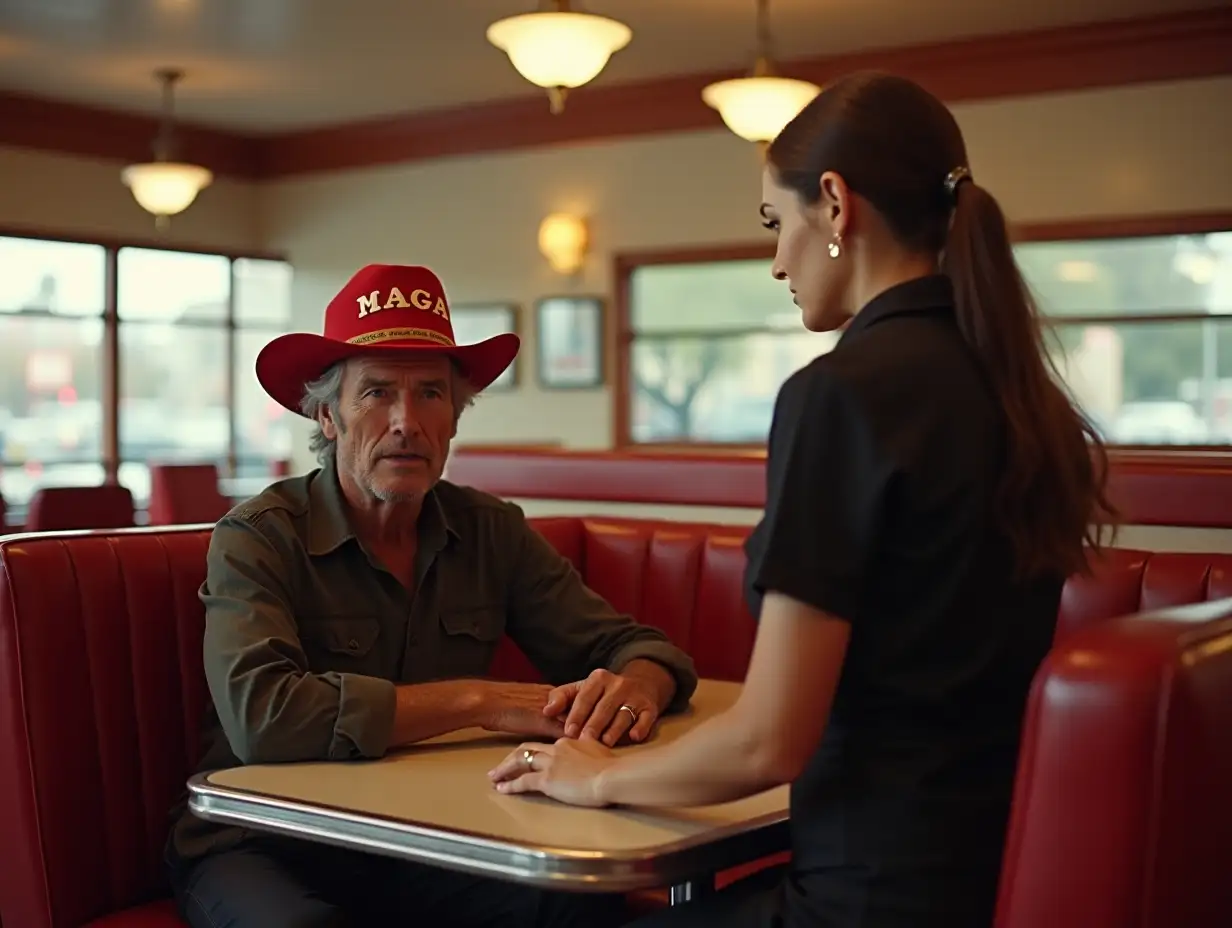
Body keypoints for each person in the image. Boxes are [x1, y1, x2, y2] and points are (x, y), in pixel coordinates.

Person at [488, 71, 1118, 927]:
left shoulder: (842, 395)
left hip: (862, 900)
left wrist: (594, 774)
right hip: (981, 885)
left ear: (834, 203)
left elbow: (770, 739)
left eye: (775, 224)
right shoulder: (1013, 391)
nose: (776, 259)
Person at [164, 263, 699, 928]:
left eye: (430, 395)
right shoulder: (257, 537)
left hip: (432, 844)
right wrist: (479, 701)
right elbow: (263, 717)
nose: (405, 422)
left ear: (455, 417)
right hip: (263, 844)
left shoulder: (490, 529)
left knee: (572, 905)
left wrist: (638, 687)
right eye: (377, 394)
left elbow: (632, 646)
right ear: (328, 416)